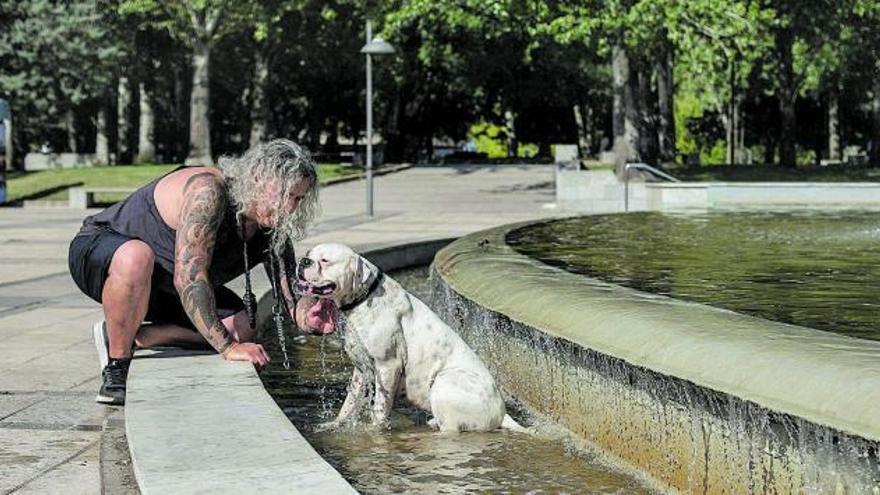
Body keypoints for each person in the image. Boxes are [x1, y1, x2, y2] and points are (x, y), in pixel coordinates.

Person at [68, 139, 336, 406]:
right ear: (258, 179)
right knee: (136, 256)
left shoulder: (271, 226)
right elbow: (190, 278)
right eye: (288, 195)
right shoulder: (208, 192)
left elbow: (289, 293)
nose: (291, 208)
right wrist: (228, 348)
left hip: (162, 288)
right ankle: (117, 365)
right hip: (103, 256)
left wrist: (307, 316)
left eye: (299, 199)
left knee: (245, 327)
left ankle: (143, 334)